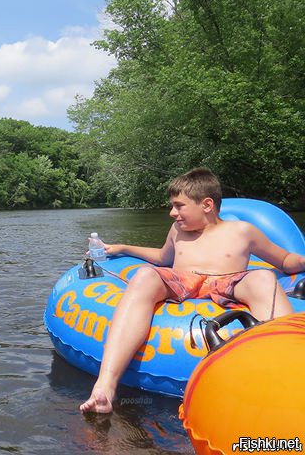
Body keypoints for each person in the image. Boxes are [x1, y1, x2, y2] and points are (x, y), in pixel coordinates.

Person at [79, 167, 305, 414]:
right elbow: (162, 257)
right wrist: (122, 247)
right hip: (183, 280)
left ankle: (291, 374)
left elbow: (283, 261)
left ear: (207, 205)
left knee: (263, 277)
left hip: (229, 281)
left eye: (179, 206)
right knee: (144, 275)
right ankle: (105, 387)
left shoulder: (242, 230)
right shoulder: (178, 231)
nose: (172, 213)